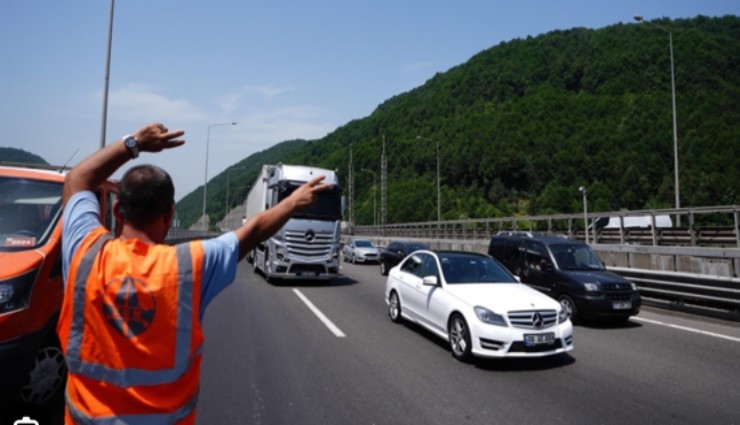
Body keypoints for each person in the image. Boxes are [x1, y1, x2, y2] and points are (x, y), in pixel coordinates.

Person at [57, 122, 330, 424]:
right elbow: (252, 231)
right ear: (170, 214)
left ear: (117, 210)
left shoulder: (84, 252)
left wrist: (134, 143)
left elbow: (77, 179)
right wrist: (293, 201)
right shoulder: (190, 265)